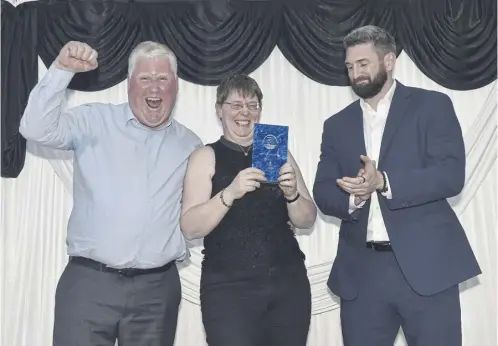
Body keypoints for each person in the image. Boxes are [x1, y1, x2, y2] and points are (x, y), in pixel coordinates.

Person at [19, 41, 202, 346]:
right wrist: (62, 71)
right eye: (144, 78)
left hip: (156, 292)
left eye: (162, 79)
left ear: (176, 86)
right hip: (89, 286)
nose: (153, 87)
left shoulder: (191, 144)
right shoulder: (93, 120)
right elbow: (34, 128)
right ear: (129, 84)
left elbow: (197, 209)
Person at [313, 25, 481, 346]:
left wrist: (384, 181)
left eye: (363, 64)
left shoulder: (432, 106)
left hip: (428, 268)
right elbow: (323, 191)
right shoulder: (336, 125)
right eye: (350, 67)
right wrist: (354, 198)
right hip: (361, 276)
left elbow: (450, 174)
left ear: (389, 61)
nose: (356, 73)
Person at [180, 74, 317, 346]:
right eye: (236, 105)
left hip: (288, 284)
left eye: (253, 105)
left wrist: (292, 196)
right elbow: (190, 227)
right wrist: (230, 192)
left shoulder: (277, 151)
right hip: (228, 289)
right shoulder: (205, 156)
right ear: (219, 110)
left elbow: (308, 218)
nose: (245, 112)